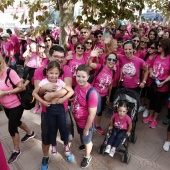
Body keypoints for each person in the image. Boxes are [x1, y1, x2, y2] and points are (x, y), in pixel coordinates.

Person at [33, 45, 74, 170]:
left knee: (67, 132)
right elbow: (38, 93)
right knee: (46, 136)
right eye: (56, 56)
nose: (59, 59)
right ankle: (46, 156)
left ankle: (67, 150)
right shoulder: (40, 70)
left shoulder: (66, 69)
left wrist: (51, 94)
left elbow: (67, 90)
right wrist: (44, 90)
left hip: (63, 108)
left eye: (62, 57)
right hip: (47, 110)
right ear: (49, 56)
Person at [0, 54, 35, 164]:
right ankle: (30, 133)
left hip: (16, 104)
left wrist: (5, 92)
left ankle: (16, 150)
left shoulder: (10, 72)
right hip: (5, 105)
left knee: (12, 128)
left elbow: (22, 87)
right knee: (16, 122)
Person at [72, 64, 99, 168]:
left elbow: (92, 114)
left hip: (86, 123)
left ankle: (87, 156)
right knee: (82, 135)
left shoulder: (91, 93)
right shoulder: (77, 86)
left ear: (88, 77)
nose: (80, 79)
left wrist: (87, 128)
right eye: (78, 76)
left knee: (87, 139)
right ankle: (84, 143)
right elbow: (77, 99)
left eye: (83, 77)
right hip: (78, 121)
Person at [143, 38, 170, 128]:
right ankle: (150, 116)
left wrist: (164, 82)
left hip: (163, 85)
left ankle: (155, 119)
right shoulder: (156, 56)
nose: (157, 47)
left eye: (159, 46)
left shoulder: (169, 58)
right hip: (153, 83)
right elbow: (150, 67)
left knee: (158, 103)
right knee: (152, 101)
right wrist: (151, 72)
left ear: (165, 47)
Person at [88, 51, 118, 135]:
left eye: (114, 60)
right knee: (91, 111)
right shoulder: (100, 67)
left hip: (103, 95)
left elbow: (111, 85)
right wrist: (91, 56)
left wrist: (108, 96)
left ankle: (97, 126)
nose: (111, 61)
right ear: (106, 59)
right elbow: (90, 64)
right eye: (110, 59)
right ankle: (89, 125)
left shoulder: (113, 72)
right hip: (94, 94)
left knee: (99, 112)